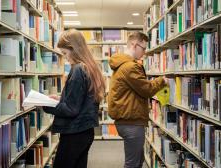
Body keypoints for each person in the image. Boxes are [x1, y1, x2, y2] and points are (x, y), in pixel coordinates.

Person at [42, 29, 105, 168]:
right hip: (85, 131)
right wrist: (60, 98)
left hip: (74, 133)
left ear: (74, 49)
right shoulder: (90, 67)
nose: (65, 58)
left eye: (65, 53)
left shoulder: (78, 70)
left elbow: (71, 109)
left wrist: (46, 104)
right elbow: (81, 98)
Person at [108, 31, 168, 168]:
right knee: (132, 164)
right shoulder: (130, 67)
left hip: (128, 120)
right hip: (131, 123)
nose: (145, 52)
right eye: (143, 48)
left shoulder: (122, 65)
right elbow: (146, 89)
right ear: (134, 45)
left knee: (137, 161)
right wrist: (162, 80)